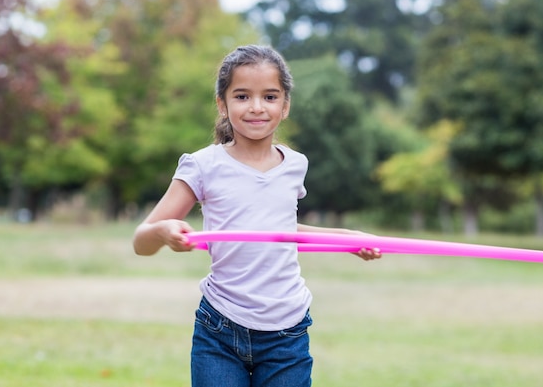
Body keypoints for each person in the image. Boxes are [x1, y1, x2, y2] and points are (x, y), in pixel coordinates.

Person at [132, 44, 381, 387]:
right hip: (220, 328)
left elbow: (279, 229)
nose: (256, 108)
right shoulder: (203, 165)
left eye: (269, 96)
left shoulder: (295, 164)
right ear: (222, 104)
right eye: (242, 96)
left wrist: (349, 240)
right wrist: (162, 232)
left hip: (287, 331)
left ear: (285, 105)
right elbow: (140, 242)